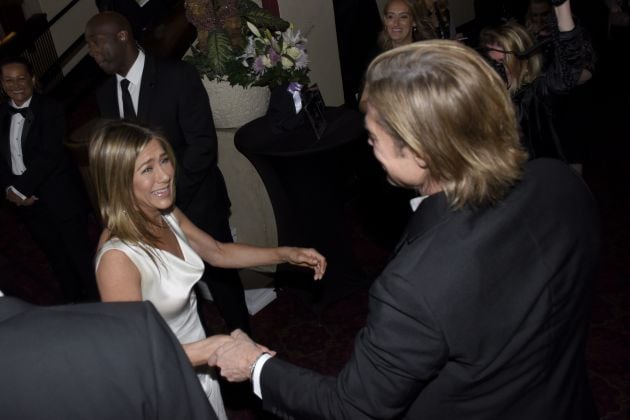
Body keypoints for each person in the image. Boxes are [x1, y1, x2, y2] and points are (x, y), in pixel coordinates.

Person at [209, 39, 601, 419]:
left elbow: (352, 408)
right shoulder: (560, 182)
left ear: (417, 153)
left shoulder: (414, 284)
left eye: (374, 137)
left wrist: (255, 365)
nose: (370, 147)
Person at [89, 120, 326, 419]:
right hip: (167, 381)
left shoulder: (164, 212)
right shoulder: (117, 258)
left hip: (199, 363)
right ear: (119, 180)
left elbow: (216, 251)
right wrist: (217, 346)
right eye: (147, 169)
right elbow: (137, 356)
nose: (164, 175)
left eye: (164, 160)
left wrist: (284, 253)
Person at [85, 11, 251, 334]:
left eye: (96, 41)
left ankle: (248, 358)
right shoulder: (104, 95)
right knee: (177, 295)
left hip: (197, 202)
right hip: (148, 218)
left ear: (122, 35)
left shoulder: (178, 75)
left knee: (224, 290)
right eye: (88, 45)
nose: (92, 51)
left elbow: (202, 145)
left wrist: (167, 201)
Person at [0, 291, 219, 419]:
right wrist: (209, 349)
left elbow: (216, 251)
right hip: (175, 367)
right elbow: (142, 359)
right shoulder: (120, 330)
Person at [0, 56, 98, 303]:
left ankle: (104, 309)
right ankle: (74, 308)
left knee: (81, 258)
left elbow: (50, 154)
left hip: (59, 197)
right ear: (1, 84)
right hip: (27, 205)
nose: (16, 84)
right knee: (56, 259)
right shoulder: (1, 114)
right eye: (8, 80)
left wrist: (22, 189)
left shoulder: (51, 107)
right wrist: (10, 189)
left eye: (21, 78)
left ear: (32, 79)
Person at [479, 0, 595, 162]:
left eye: (505, 62)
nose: (500, 71)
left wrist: (562, 7)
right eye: (495, 63)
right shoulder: (484, 93)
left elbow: (570, 70)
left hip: (543, 174)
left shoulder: (537, 92)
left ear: (523, 61)